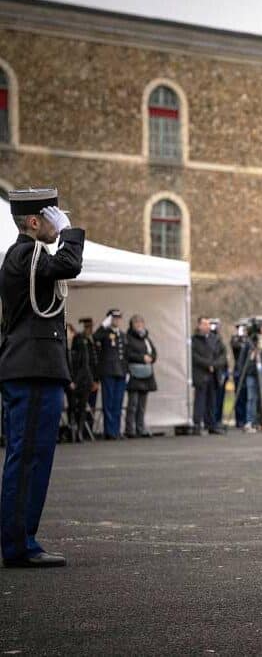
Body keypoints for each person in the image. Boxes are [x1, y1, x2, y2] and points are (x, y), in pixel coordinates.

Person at [0, 186, 84, 567]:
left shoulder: (30, 256)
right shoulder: (25, 253)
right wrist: (69, 232)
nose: (58, 221)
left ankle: (23, 538)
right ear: (35, 221)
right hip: (31, 368)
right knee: (29, 458)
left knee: (36, 458)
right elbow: (68, 264)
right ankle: (19, 545)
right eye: (52, 216)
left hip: (38, 368)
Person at [93, 308, 127, 440]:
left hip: (121, 372)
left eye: (118, 318)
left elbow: (125, 355)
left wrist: (127, 371)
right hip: (108, 372)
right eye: (114, 318)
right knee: (108, 402)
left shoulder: (122, 335)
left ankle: (116, 430)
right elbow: (95, 337)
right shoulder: (105, 333)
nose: (117, 320)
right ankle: (109, 431)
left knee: (118, 403)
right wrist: (103, 324)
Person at [191, 316, 228, 435]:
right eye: (204, 324)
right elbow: (194, 356)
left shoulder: (216, 339)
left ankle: (211, 424)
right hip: (201, 374)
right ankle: (197, 425)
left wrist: (214, 365)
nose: (207, 326)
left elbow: (223, 355)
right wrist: (208, 365)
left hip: (214, 374)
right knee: (200, 401)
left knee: (212, 401)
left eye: (208, 324)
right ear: (199, 325)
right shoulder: (194, 340)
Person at [123, 315, 157, 439]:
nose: (139, 325)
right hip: (134, 374)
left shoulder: (146, 338)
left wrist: (151, 358)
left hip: (146, 374)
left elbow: (154, 352)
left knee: (142, 405)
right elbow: (128, 354)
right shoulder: (128, 338)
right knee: (133, 403)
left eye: (141, 322)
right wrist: (142, 358)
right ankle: (129, 429)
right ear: (131, 325)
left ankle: (140, 427)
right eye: (136, 323)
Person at [67, 320, 97, 443]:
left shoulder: (80, 343)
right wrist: (69, 381)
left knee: (82, 406)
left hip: (83, 381)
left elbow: (84, 366)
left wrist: (75, 382)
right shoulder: (63, 346)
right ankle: (71, 432)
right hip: (70, 382)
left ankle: (79, 432)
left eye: (68, 331)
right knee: (72, 407)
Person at [210, 319, 228, 429]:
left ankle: (218, 419)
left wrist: (215, 365)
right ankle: (213, 420)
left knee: (220, 398)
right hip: (211, 373)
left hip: (219, 372)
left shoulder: (219, 341)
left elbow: (223, 357)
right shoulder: (209, 341)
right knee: (213, 399)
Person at [230, 321, 248, 430]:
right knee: (239, 396)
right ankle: (239, 420)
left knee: (248, 397)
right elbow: (235, 347)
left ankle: (247, 419)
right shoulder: (235, 339)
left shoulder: (249, 340)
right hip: (239, 370)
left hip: (248, 371)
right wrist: (240, 337)